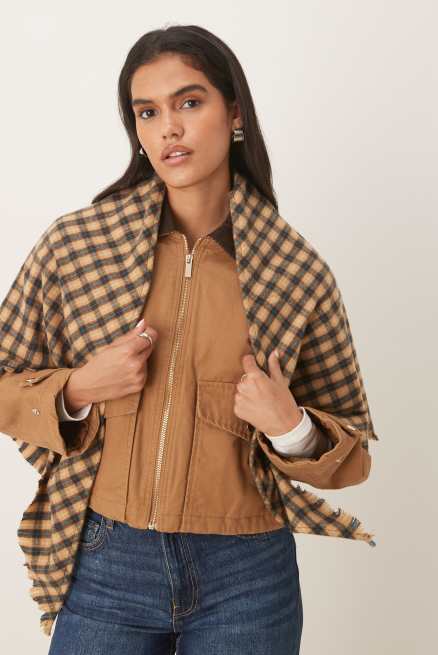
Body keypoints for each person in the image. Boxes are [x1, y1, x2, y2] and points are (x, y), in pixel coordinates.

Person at [0, 23, 378, 654]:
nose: (168, 128)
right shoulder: (78, 247)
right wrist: (77, 389)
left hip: (247, 574)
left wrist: (290, 428)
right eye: (148, 112)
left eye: (190, 102)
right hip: (107, 563)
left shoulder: (294, 270)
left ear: (235, 113)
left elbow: (353, 455)